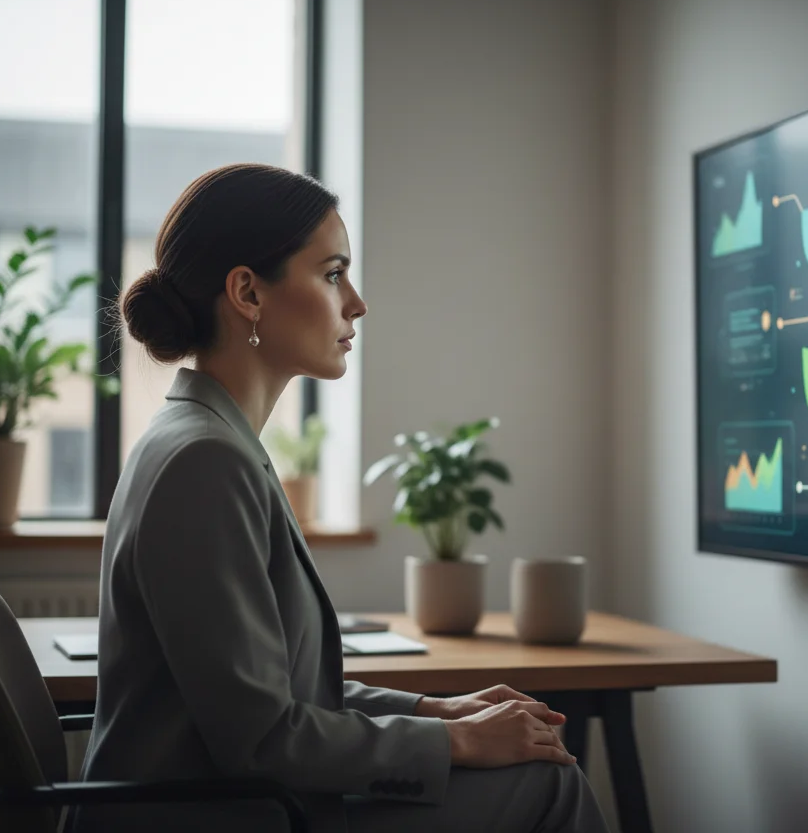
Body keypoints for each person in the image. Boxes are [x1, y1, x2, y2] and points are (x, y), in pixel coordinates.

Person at [67, 163, 610, 833]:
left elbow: (273, 697)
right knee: (547, 784)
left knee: (534, 772)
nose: (356, 302)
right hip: (221, 814)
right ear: (248, 293)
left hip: (235, 800)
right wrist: (456, 742)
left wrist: (439, 712)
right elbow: (262, 739)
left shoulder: (209, 442)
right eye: (331, 274)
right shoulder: (204, 461)